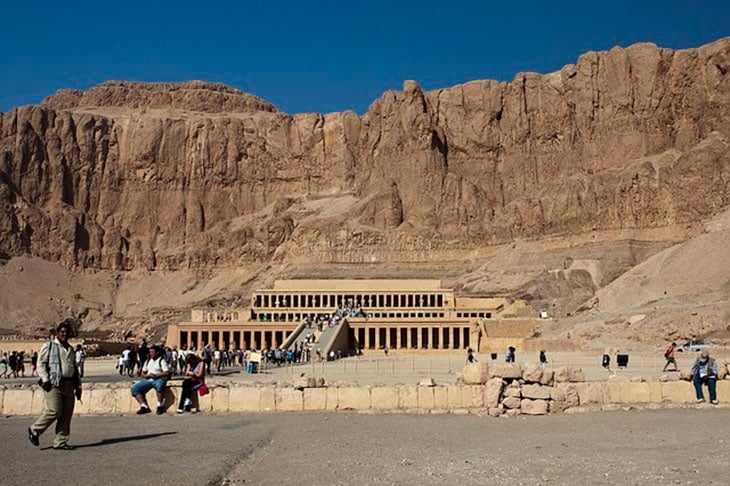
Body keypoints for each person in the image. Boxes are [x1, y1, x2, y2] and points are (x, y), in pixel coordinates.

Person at [28, 322, 82, 450]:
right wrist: (45, 379)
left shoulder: (70, 349)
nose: (64, 334)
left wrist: (78, 386)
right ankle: (35, 429)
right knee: (55, 410)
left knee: (66, 413)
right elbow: (40, 363)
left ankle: (60, 441)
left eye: (66, 332)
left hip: (69, 384)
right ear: (57, 333)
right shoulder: (50, 346)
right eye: (62, 332)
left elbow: (74, 368)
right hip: (53, 383)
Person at [131, 345, 170, 415]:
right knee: (135, 389)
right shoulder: (148, 361)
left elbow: (166, 372)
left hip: (159, 379)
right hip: (149, 380)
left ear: (157, 353)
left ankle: (160, 405)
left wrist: (156, 375)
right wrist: (147, 375)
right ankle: (144, 406)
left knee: (159, 386)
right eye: (150, 352)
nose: (151, 354)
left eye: (152, 352)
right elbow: (142, 373)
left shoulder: (161, 360)